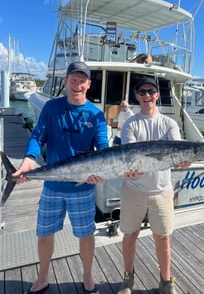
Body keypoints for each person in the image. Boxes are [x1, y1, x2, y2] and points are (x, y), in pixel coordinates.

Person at [14, 61, 109, 294]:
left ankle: (88, 275)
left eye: (82, 80)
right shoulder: (51, 108)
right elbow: (38, 136)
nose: (77, 85)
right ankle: (43, 276)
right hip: (52, 186)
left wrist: (101, 172)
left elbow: (103, 148)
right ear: (65, 81)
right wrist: (29, 159)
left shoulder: (96, 115)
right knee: (44, 233)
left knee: (86, 235)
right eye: (73, 80)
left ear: (89, 84)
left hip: (83, 188)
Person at [118, 76, 189, 294]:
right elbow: (131, 158)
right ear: (136, 96)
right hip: (133, 190)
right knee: (130, 235)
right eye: (142, 92)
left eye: (151, 92)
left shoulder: (169, 124)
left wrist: (183, 161)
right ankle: (128, 279)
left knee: (163, 237)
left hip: (161, 191)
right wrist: (131, 168)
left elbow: (176, 152)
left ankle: (166, 281)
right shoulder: (130, 124)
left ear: (157, 95)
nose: (147, 96)